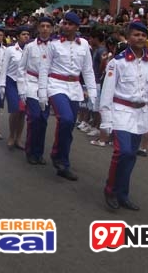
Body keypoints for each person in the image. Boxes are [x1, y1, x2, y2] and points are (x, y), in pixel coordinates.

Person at [100, 22, 148, 211]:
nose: (140, 38)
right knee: (122, 152)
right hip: (121, 111)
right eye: (136, 34)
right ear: (128, 37)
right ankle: (110, 189)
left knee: (131, 155)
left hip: (140, 114)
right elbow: (107, 92)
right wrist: (106, 119)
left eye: (143, 35)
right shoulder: (117, 62)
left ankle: (122, 193)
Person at [38, 12, 97, 181]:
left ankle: (61, 159)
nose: (66, 26)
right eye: (64, 23)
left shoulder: (83, 44)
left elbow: (87, 70)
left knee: (69, 125)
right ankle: (60, 157)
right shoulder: (53, 44)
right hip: (56, 85)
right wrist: (42, 92)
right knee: (65, 118)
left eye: (70, 24)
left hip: (75, 87)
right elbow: (44, 68)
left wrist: (92, 91)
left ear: (77, 27)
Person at [18, 17, 54, 164]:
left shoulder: (55, 47)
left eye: (48, 26)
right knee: (34, 117)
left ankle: (39, 152)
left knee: (43, 120)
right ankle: (30, 151)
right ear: (38, 28)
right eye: (42, 26)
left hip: (48, 85)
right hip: (32, 84)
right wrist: (22, 89)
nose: (45, 29)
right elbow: (21, 68)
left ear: (52, 29)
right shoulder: (30, 46)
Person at [0, 25, 30, 150]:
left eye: (28, 34)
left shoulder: (31, 49)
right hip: (11, 81)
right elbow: (4, 67)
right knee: (15, 110)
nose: (26, 36)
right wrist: (2, 84)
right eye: (23, 34)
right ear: (18, 36)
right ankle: (12, 135)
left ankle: (18, 138)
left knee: (23, 112)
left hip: (25, 83)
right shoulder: (10, 50)